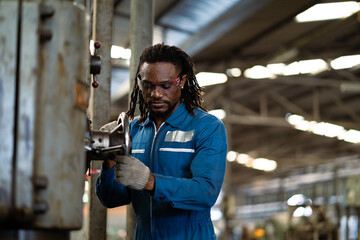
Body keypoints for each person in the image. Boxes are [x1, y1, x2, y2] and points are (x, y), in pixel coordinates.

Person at [96, 43, 227, 240]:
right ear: (139, 82)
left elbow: (206, 192)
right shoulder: (133, 132)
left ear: (181, 81)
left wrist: (150, 181)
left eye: (165, 86)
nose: (156, 93)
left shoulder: (206, 127)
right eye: (148, 85)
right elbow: (111, 199)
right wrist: (110, 159)